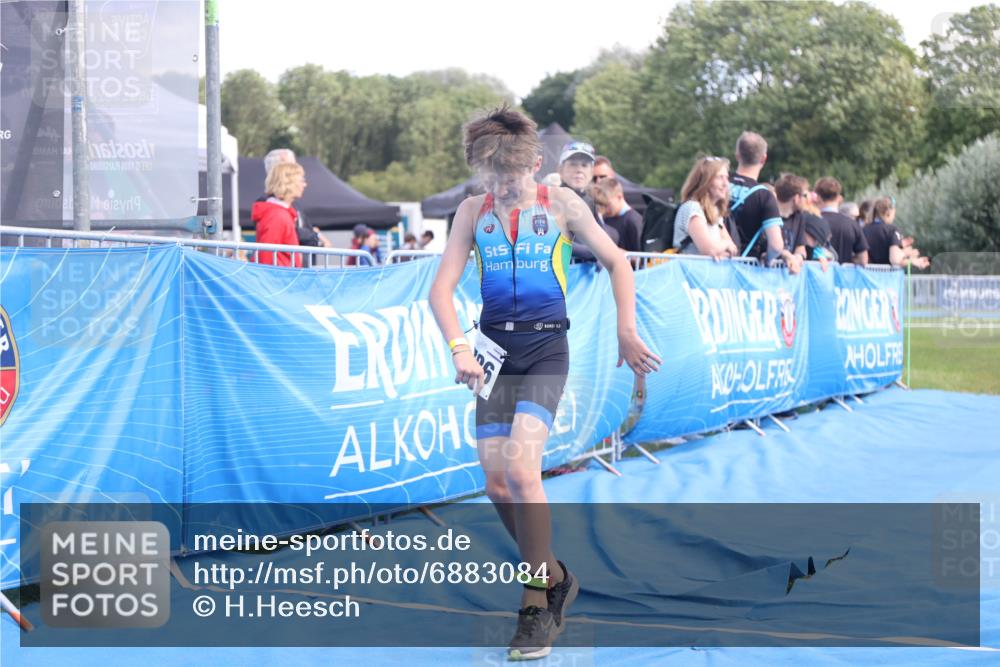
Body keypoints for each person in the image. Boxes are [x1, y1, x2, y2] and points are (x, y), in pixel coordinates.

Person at [429, 105, 660, 660]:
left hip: (544, 350)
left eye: (512, 177)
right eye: (493, 178)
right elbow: (441, 290)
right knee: (496, 483)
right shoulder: (469, 212)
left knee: (522, 471)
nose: (504, 188)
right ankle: (555, 574)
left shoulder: (562, 204)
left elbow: (617, 261)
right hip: (493, 354)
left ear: (535, 163)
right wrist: (460, 347)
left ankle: (535, 604)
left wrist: (627, 331)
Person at [728, 132, 802, 272]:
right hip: (744, 270)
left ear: (737, 155)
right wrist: (768, 259)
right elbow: (776, 245)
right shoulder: (764, 196)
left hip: (712, 266)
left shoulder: (719, 183)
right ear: (764, 159)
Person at [557, 141, 619, 258]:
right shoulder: (553, 198)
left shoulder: (589, 201)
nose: (579, 170)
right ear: (560, 169)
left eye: (584, 165)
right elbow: (554, 241)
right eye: (573, 164)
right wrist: (593, 252)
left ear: (591, 172)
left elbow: (605, 238)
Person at [673, 157, 739, 258]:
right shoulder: (692, 208)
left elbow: (733, 250)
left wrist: (721, 250)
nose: (726, 183)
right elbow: (709, 250)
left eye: (726, 177)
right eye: (720, 177)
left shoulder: (715, 212)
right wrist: (725, 244)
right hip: (690, 272)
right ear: (705, 181)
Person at [250, 162, 306, 267]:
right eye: (301, 180)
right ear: (288, 183)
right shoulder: (277, 216)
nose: (305, 184)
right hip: (279, 279)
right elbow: (266, 257)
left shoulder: (280, 213)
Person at [814, 177, 868, 265]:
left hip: (817, 276)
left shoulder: (811, 222)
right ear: (839, 198)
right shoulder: (852, 224)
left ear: (818, 198)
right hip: (844, 277)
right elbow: (863, 259)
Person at [863, 197, 930, 268]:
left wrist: (915, 261)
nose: (894, 216)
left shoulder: (864, 229)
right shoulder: (892, 230)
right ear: (888, 213)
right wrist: (905, 252)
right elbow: (895, 260)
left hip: (866, 276)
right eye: (894, 213)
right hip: (886, 277)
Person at [590, 177, 643, 252]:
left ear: (619, 197)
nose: (604, 209)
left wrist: (618, 253)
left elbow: (643, 258)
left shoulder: (634, 221)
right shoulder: (606, 218)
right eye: (601, 205)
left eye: (606, 204)